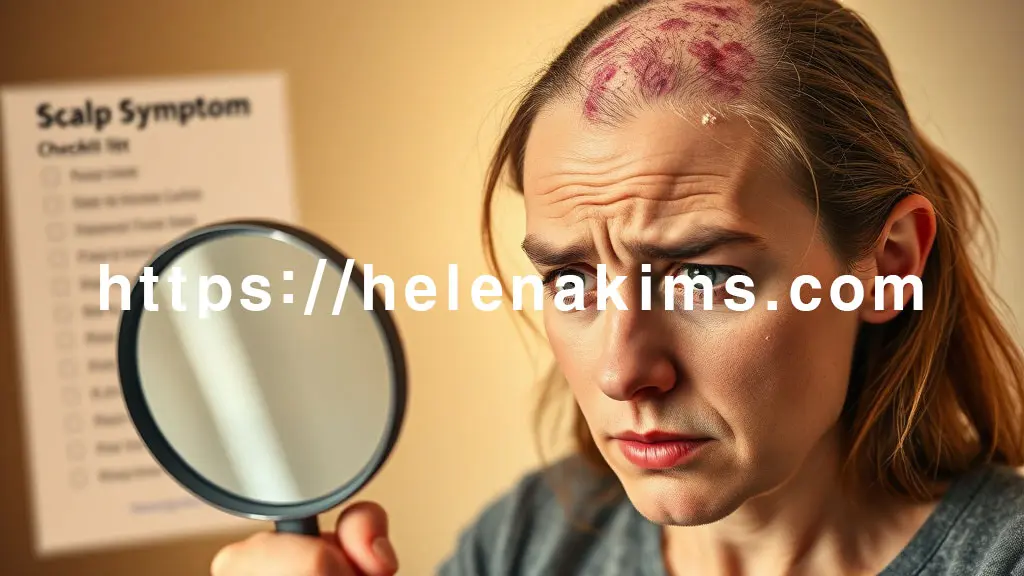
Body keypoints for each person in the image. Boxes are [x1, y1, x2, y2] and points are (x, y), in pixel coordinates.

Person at [209, 0, 1024, 574]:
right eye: (570, 279)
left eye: (704, 277)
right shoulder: (530, 542)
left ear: (889, 263)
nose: (620, 371)